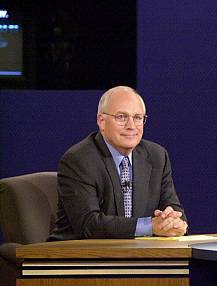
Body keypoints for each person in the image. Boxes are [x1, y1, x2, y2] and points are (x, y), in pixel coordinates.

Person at [48, 86, 187, 240]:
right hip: (78, 257)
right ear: (101, 121)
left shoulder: (157, 156)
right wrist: (150, 226)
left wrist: (173, 221)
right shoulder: (79, 160)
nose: (131, 126)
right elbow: (88, 225)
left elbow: (174, 209)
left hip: (135, 256)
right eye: (121, 117)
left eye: (137, 118)